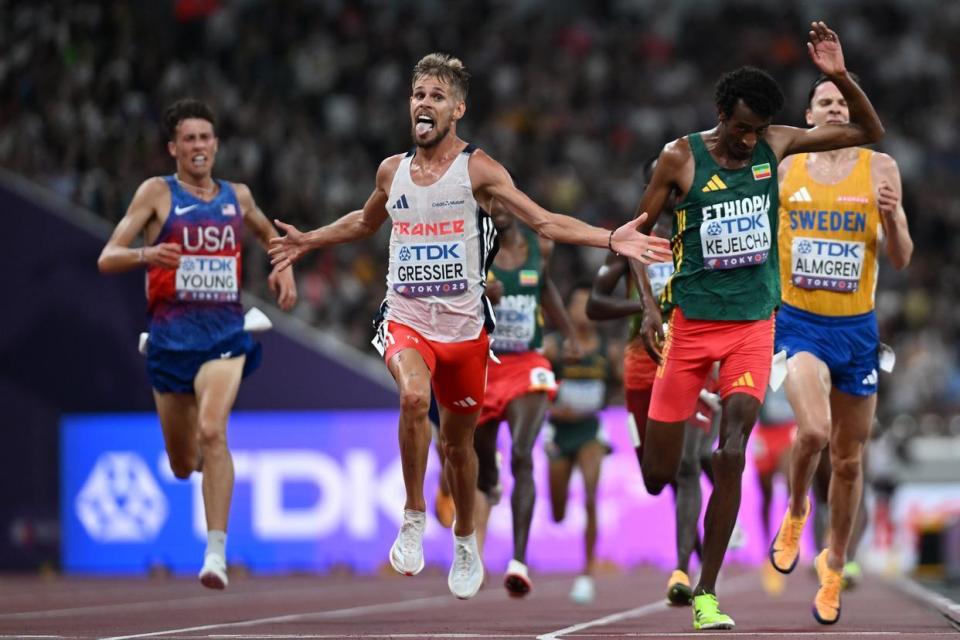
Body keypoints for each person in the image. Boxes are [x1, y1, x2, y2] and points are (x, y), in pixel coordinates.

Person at [267, 53, 672, 600]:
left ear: (458, 109)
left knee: (459, 449)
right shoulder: (391, 171)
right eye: (418, 94)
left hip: (464, 334)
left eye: (436, 96)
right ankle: (413, 516)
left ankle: (464, 538)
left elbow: (543, 220)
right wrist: (307, 240)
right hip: (406, 318)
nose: (424, 104)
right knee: (414, 398)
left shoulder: (478, 170)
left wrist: (610, 238)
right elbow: (365, 222)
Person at [632, 22, 884, 630]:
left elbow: (870, 132)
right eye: (741, 128)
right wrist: (648, 309)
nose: (748, 140)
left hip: (752, 325)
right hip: (690, 328)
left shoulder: (777, 142)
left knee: (731, 453)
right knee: (658, 475)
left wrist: (839, 76)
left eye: (756, 130)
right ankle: (670, 432)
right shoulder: (679, 158)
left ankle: (707, 593)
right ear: (722, 114)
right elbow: (634, 236)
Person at [96, 98, 298, 590]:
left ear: (216, 144)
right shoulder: (156, 193)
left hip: (225, 333)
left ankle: (216, 555)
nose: (199, 146)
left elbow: (271, 238)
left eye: (205, 137)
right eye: (189, 139)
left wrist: (284, 268)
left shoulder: (237, 196)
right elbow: (108, 256)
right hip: (170, 340)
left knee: (213, 431)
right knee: (184, 463)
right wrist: (147, 254)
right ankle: (210, 478)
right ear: (174, 148)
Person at [768, 71, 912, 623]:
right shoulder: (787, 168)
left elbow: (900, 256)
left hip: (857, 333)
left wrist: (892, 216)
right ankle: (797, 510)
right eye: (824, 102)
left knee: (849, 462)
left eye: (841, 102)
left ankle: (833, 568)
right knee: (813, 432)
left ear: (852, 114)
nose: (834, 108)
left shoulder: (880, 168)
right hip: (800, 324)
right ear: (808, 116)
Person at [586, 156, 721, 607]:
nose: (674, 192)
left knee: (686, 465)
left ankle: (683, 570)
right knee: (656, 478)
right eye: (665, 184)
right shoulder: (632, 243)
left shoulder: (701, 233)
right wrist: (646, 308)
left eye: (680, 185)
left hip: (692, 357)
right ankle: (698, 540)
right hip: (641, 364)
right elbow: (594, 305)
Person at [471, 201, 580, 597]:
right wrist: (478, 294)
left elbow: (545, 286)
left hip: (527, 364)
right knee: (484, 470)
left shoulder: (540, 247)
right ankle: (491, 478)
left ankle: (518, 560)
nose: (497, 207)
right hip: (484, 365)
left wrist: (568, 332)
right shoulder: (471, 249)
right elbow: (446, 301)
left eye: (502, 199)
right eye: (488, 201)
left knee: (522, 453)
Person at [542, 283, 617, 605]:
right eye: (577, 304)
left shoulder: (608, 350)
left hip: (590, 430)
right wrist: (552, 407)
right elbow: (534, 383)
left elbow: (620, 385)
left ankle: (587, 573)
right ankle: (561, 503)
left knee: (590, 494)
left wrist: (605, 402)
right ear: (568, 310)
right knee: (558, 513)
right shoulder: (553, 347)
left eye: (589, 304)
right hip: (560, 432)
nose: (583, 311)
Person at [751, 385, 796, 596]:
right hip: (764, 432)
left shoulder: (795, 366)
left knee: (791, 488)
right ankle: (766, 549)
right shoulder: (762, 366)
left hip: (788, 429)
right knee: (766, 495)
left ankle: (787, 540)